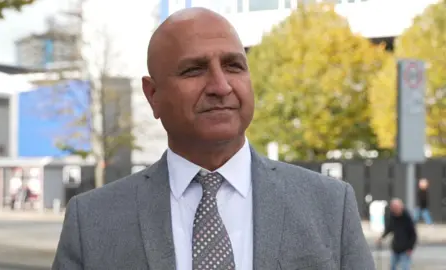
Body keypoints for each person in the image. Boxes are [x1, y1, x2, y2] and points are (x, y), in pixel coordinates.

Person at [52, 7, 374, 270]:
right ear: (153, 96)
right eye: (194, 70)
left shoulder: (330, 206)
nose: (221, 86)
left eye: (234, 66)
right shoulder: (92, 223)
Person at [377, 198, 417, 270]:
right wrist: (381, 237)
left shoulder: (407, 218)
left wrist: (410, 248)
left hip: (405, 249)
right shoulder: (393, 217)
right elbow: (389, 228)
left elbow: (413, 235)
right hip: (396, 247)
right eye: (393, 208)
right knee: (392, 267)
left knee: (405, 268)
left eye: (396, 208)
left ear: (401, 207)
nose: (395, 210)